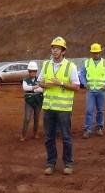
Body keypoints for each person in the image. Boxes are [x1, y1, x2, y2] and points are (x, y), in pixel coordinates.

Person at [38, 36, 80, 175]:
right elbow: (40, 82)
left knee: (66, 137)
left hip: (63, 109)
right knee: (49, 137)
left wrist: (60, 83)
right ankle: (50, 163)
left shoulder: (70, 66)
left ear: (63, 51)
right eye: (53, 48)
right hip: (49, 107)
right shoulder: (46, 65)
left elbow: (76, 86)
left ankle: (68, 164)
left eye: (57, 48)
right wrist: (45, 85)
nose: (54, 51)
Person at [80, 43, 105, 139]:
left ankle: (99, 127)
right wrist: (85, 84)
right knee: (89, 110)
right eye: (94, 53)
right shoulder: (87, 63)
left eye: (97, 52)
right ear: (91, 53)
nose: (96, 54)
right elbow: (82, 74)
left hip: (102, 91)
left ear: (100, 52)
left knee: (100, 111)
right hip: (91, 91)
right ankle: (87, 130)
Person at [20, 61, 44, 142]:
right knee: (27, 118)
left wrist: (32, 88)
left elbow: (42, 89)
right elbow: (25, 88)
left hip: (38, 101)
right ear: (28, 71)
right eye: (31, 71)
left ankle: (35, 133)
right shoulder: (25, 80)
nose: (32, 73)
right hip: (29, 102)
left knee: (37, 118)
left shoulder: (40, 79)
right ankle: (23, 135)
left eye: (34, 71)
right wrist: (36, 87)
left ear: (36, 71)